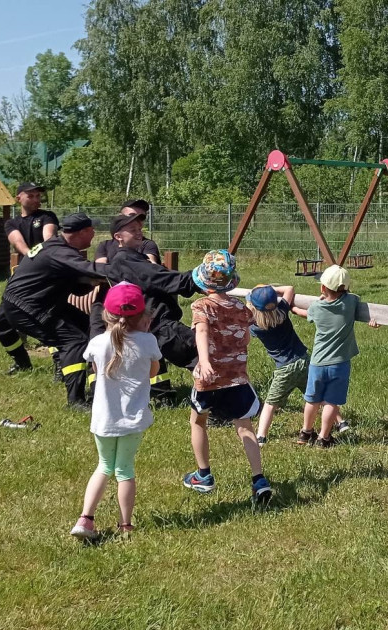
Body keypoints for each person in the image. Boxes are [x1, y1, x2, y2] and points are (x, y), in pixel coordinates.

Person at [69, 282, 161, 540]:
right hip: (133, 420)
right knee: (124, 471)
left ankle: (85, 519)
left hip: (103, 420)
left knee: (104, 466)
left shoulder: (98, 342)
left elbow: (97, 370)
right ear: (143, 316)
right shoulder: (148, 341)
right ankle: (125, 526)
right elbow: (153, 372)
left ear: (106, 315)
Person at [181, 250, 273, 504]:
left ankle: (203, 475)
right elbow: (245, 338)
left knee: (198, 422)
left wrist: (205, 360)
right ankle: (259, 479)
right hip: (237, 379)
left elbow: (201, 332)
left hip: (209, 379)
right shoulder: (241, 309)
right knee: (244, 426)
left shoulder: (202, 306)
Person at [0, 213, 105, 407]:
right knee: (74, 340)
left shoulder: (58, 247)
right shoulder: (60, 252)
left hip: (40, 302)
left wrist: (89, 281)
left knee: (86, 327)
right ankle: (76, 401)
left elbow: (74, 286)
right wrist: (127, 271)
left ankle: (92, 383)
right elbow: (95, 270)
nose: (94, 233)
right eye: (91, 230)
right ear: (82, 232)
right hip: (27, 307)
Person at [96, 212, 199, 403]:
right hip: (161, 325)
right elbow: (161, 278)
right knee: (205, 357)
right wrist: (199, 277)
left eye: (139, 229)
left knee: (193, 360)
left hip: (152, 325)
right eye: (132, 230)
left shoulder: (134, 258)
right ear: (118, 237)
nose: (138, 233)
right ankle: (216, 406)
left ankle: (163, 396)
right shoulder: (126, 260)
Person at [291, 265, 375, 447]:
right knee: (331, 402)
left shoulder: (316, 308)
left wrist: (295, 309)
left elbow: (306, 313)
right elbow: (352, 297)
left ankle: (305, 433)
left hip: (317, 363)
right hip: (340, 364)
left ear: (322, 288)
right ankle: (324, 437)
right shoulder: (351, 302)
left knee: (312, 400)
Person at [0, 182, 60, 373]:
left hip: (45, 276)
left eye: (38, 196)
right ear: (18, 198)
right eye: (31, 195)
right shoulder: (12, 223)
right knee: (0, 323)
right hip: (22, 279)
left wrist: (43, 257)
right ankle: (22, 363)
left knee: (47, 320)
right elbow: (18, 243)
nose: (36, 199)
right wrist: (31, 257)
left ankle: (60, 363)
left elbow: (50, 237)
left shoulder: (47, 216)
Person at [247, 284, 310, 446]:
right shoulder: (282, 311)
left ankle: (261, 437)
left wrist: (258, 292)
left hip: (285, 368)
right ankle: (341, 422)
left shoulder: (255, 327)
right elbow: (289, 288)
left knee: (270, 404)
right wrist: (269, 289)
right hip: (303, 359)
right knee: (318, 395)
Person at [93, 200, 161, 264]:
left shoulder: (147, 244)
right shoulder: (105, 245)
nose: (137, 220)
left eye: (141, 217)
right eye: (132, 215)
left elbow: (151, 266)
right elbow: (100, 268)